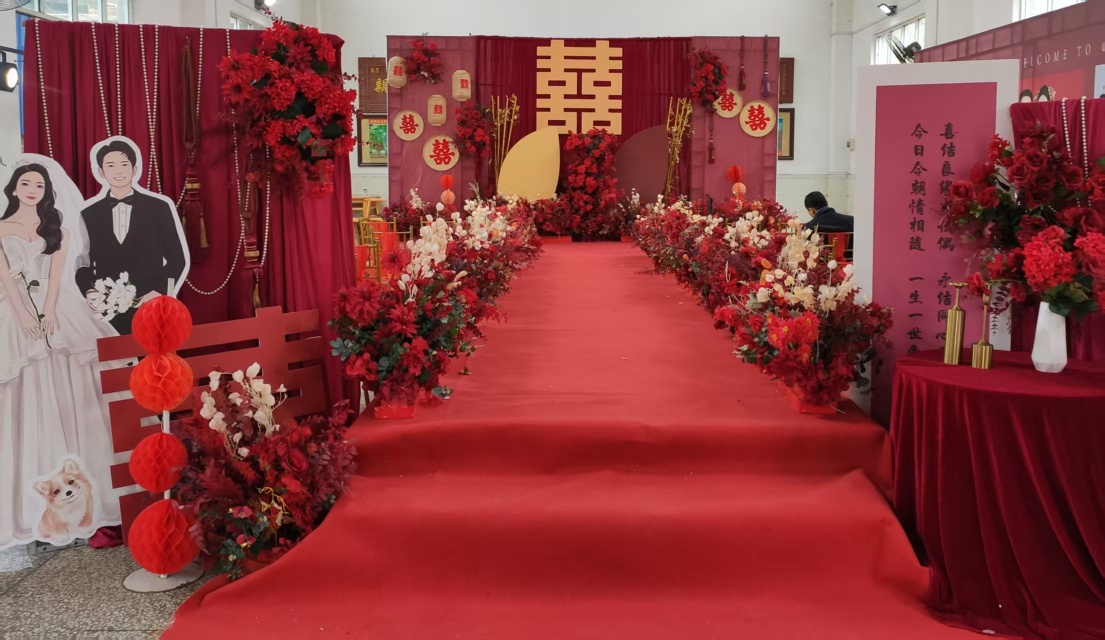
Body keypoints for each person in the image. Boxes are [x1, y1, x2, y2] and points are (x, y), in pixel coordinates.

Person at [0, 162, 120, 550]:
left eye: (39, 185)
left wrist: (50, 311)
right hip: (14, 311)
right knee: (23, 393)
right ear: (13, 189)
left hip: (58, 309)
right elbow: (6, 280)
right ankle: (29, 505)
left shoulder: (58, 230)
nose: (32, 189)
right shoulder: (0, 229)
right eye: (25, 183)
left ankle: (93, 493)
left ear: (47, 191)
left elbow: (56, 278)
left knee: (76, 384)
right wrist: (24, 316)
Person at [76, 139, 187, 334]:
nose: (118, 171)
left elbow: (177, 257)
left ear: (134, 169)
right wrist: (90, 291)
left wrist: (158, 291)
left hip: (150, 303)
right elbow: (81, 263)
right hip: (107, 310)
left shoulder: (159, 207)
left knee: (151, 351)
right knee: (114, 352)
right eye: (111, 165)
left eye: (124, 164)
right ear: (101, 172)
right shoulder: (88, 214)